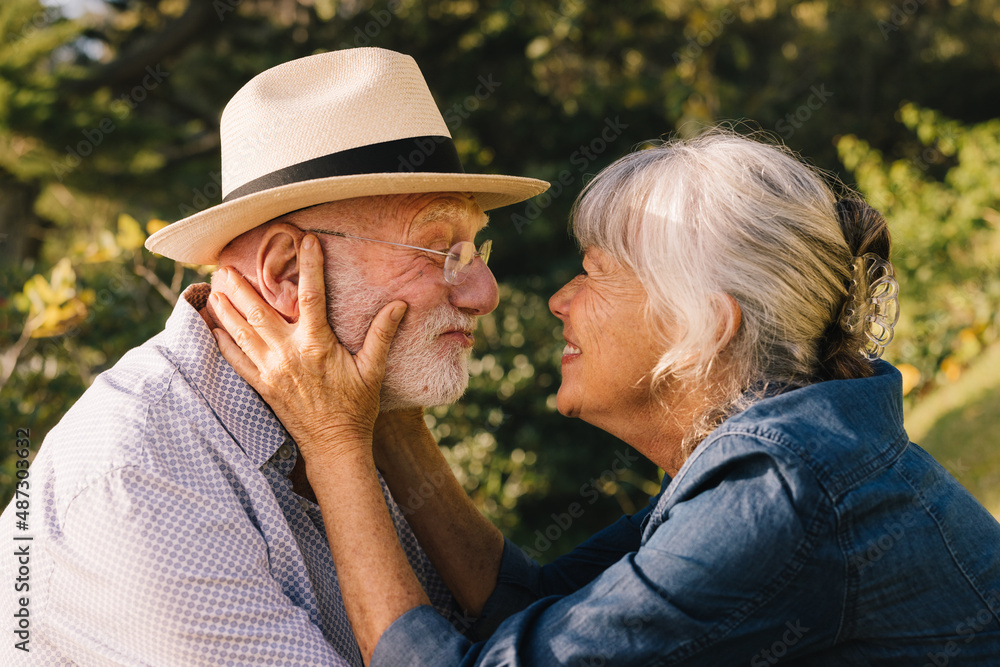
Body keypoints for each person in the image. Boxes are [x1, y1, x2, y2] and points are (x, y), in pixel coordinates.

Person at [211, 130, 1000, 666]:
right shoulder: (793, 449)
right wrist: (389, 420)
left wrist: (335, 443)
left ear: (701, 327)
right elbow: (530, 606)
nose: (559, 300)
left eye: (592, 273)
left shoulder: (778, 496)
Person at [0, 47, 547, 665]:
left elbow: (505, 632)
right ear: (289, 272)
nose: (484, 292)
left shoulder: (353, 403)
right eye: (438, 249)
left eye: (475, 250)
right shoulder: (139, 479)